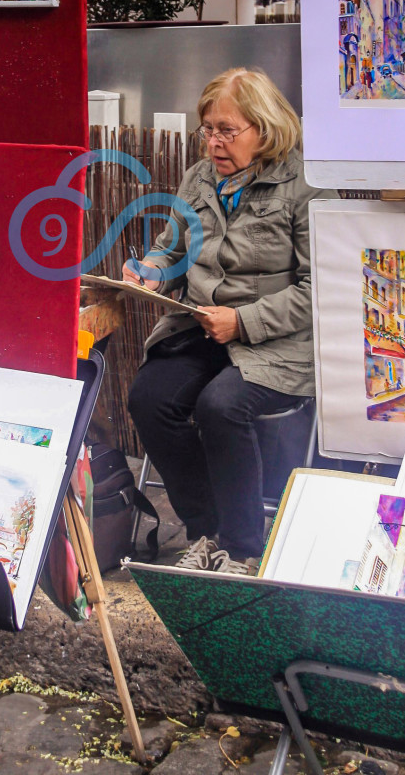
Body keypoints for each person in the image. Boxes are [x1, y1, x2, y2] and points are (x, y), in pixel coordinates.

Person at [124, 67, 334, 576]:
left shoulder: (303, 187)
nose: (214, 143)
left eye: (227, 131)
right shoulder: (199, 179)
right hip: (200, 328)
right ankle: (204, 530)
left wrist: (243, 322)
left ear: (264, 128)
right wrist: (151, 271)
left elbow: (320, 290)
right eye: (208, 129)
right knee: (148, 399)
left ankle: (243, 548)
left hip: (273, 342)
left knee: (221, 406)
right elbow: (171, 247)